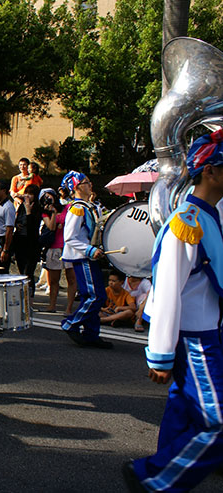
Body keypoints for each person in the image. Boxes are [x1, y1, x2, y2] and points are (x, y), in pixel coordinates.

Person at [123, 129, 223, 492]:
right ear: (210, 171)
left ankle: (162, 471)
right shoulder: (187, 223)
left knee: (183, 412)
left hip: (208, 332)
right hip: (196, 339)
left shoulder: (210, 215)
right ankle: (154, 477)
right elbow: (166, 292)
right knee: (218, 422)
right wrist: (160, 355)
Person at [60, 171, 112, 349]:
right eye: (86, 182)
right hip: (83, 257)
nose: (90, 184)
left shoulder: (90, 205)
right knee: (95, 296)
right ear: (76, 187)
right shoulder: (77, 208)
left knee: (92, 296)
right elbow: (70, 237)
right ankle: (71, 323)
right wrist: (90, 250)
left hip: (91, 256)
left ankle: (91, 334)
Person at [39, 188, 77, 314]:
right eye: (45, 198)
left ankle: (69, 307)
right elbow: (51, 227)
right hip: (54, 248)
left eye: (50, 196)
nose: (49, 199)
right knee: (54, 280)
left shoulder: (67, 208)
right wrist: (53, 213)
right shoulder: (45, 213)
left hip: (68, 247)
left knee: (71, 279)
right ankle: (52, 305)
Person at [12, 184, 42, 296]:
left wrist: (29, 211)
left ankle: (30, 296)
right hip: (20, 242)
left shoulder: (37, 208)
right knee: (21, 272)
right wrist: (18, 225)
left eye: (31, 194)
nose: (28, 196)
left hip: (31, 244)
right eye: (27, 193)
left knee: (28, 272)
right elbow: (16, 220)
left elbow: (33, 226)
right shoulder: (21, 207)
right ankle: (24, 296)